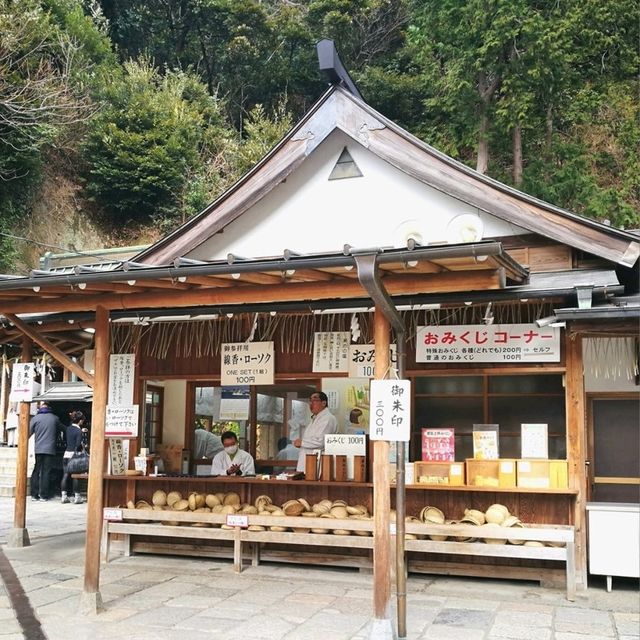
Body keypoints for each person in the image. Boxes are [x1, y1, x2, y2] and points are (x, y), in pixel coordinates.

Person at [29, 402, 64, 501]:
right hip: (50, 449)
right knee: (46, 472)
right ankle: (44, 495)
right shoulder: (54, 418)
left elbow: (28, 432)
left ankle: (34, 494)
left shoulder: (35, 418)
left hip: (38, 449)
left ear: (40, 408)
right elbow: (63, 429)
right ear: (49, 408)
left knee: (36, 471)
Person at [294, 391, 337, 472]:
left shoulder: (328, 418)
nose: (311, 403)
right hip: (307, 465)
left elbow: (321, 442)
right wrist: (302, 443)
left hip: (317, 466)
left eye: (314, 400)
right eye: (310, 400)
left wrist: (302, 443)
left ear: (324, 403)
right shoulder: (315, 418)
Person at [60, 410, 86, 504]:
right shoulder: (78, 430)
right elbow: (78, 444)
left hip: (66, 454)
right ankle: (77, 497)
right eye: (82, 420)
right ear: (79, 421)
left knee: (65, 475)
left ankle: (64, 496)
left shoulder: (68, 428)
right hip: (74, 456)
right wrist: (83, 446)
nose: (82, 422)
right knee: (76, 476)